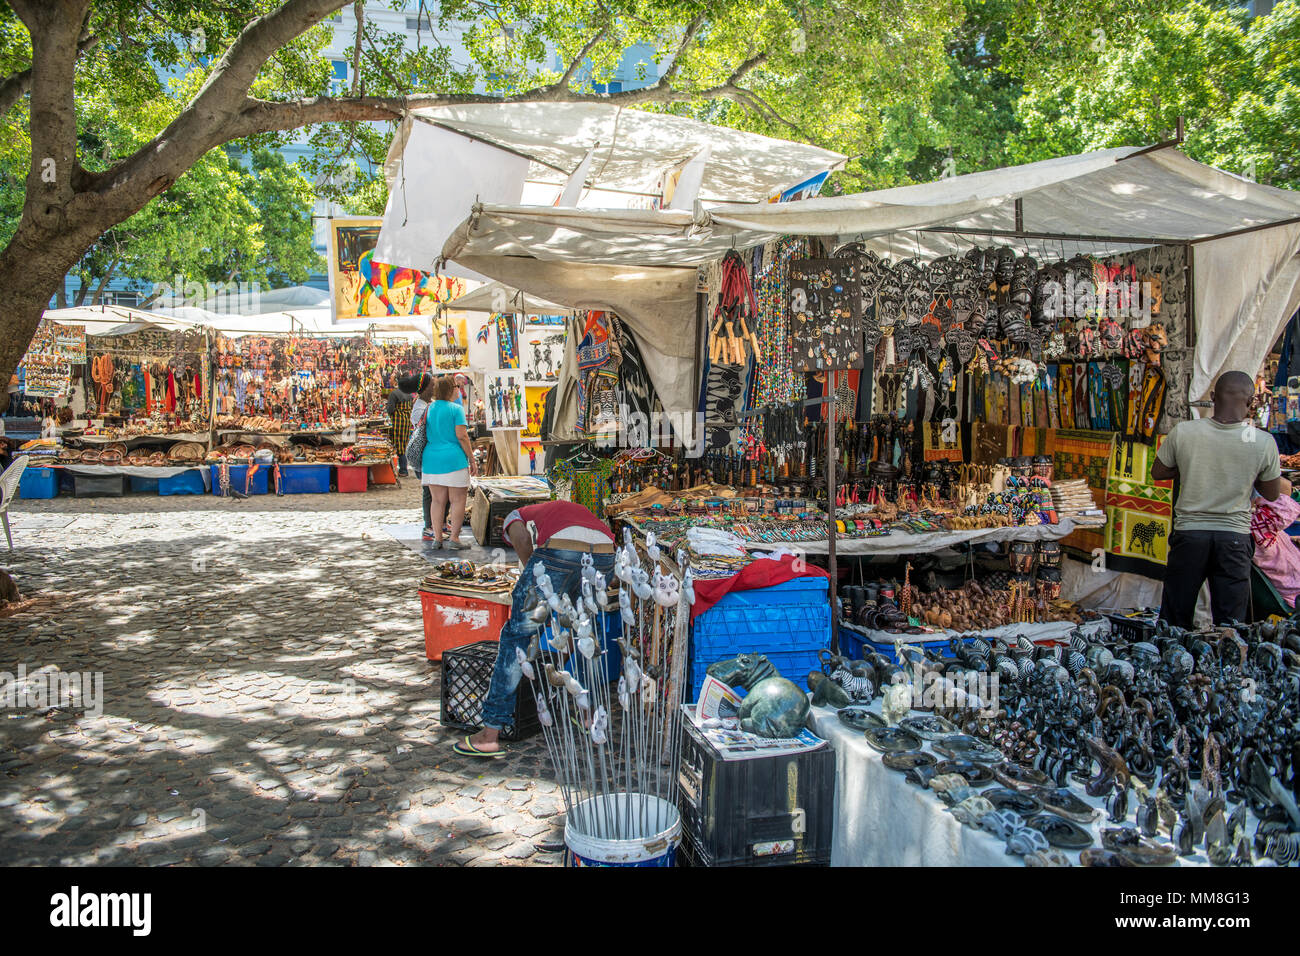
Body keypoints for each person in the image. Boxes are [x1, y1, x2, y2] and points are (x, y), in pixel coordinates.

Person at [453, 501, 615, 758]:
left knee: (517, 636)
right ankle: (588, 717)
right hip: (606, 554)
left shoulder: (515, 516)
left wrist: (534, 574)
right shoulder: (565, 510)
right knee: (585, 633)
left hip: (561, 552)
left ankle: (490, 734)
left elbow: (522, 540)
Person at [1152, 370, 1288, 627]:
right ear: (1251, 403)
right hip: (1234, 538)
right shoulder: (1263, 442)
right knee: (1231, 624)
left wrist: (1191, 464)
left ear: (1213, 397)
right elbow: (1271, 493)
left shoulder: (1185, 432)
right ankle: (1227, 666)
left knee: (1175, 616)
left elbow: (1158, 472)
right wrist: (1248, 472)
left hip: (1190, 535)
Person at [421, 375, 477, 550]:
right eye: (456, 387)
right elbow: (462, 436)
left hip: (431, 459)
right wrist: (472, 458)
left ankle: (437, 538)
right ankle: (454, 538)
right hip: (453, 459)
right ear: (451, 389)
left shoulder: (429, 408)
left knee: (437, 501)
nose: (458, 390)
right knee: (457, 500)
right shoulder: (456, 409)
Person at [1250, 490, 1300, 609]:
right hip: (1295, 591)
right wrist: (1258, 493)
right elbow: (1287, 507)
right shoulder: (1255, 527)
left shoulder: (1261, 526)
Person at [386, 376, 416, 477]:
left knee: (398, 445)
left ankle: (403, 470)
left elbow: (390, 409)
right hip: (406, 422)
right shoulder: (410, 395)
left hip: (397, 422)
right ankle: (403, 468)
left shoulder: (394, 394)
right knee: (403, 444)